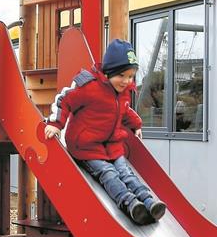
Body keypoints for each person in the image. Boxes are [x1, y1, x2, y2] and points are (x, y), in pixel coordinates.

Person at [44, 38, 167, 225]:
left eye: (131, 76)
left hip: (112, 146)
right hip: (86, 148)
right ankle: (129, 203)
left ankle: (149, 202)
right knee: (108, 173)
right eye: (122, 75)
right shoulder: (88, 86)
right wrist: (56, 124)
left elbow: (124, 111)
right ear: (109, 72)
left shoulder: (122, 92)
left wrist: (137, 124)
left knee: (126, 172)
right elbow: (64, 99)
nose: (127, 81)